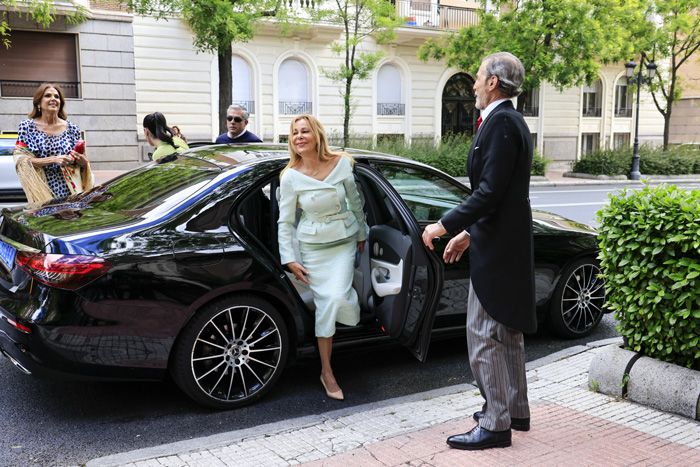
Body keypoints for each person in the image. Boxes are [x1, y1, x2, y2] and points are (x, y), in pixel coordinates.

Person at [421, 52, 536, 451]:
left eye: (478, 77)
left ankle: (495, 423)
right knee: (505, 332)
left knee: (484, 335)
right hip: (501, 243)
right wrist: (469, 233)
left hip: (499, 252)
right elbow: (500, 195)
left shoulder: (502, 122)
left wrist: (444, 224)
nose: (472, 84)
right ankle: (512, 410)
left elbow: (488, 193)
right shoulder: (509, 122)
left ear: (492, 82)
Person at [277, 114, 366, 401]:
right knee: (327, 302)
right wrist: (288, 258)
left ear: (317, 136)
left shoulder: (341, 164)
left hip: (343, 240)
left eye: (304, 131)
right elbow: (285, 222)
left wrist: (362, 232)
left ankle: (338, 345)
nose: (299, 136)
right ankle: (326, 371)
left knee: (337, 296)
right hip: (313, 247)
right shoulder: (290, 177)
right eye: (294, 133)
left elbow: (355, 201)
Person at [14, 83, 93, 203]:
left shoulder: (72, 128)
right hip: (42, 189)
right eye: (47, 96)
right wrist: (53, 159)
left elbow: (83, 160)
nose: (53, 99)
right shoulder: (26, 127)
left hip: (71, 190)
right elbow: (21, 161)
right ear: (39, 102)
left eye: (57, 96)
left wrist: (82, 162)